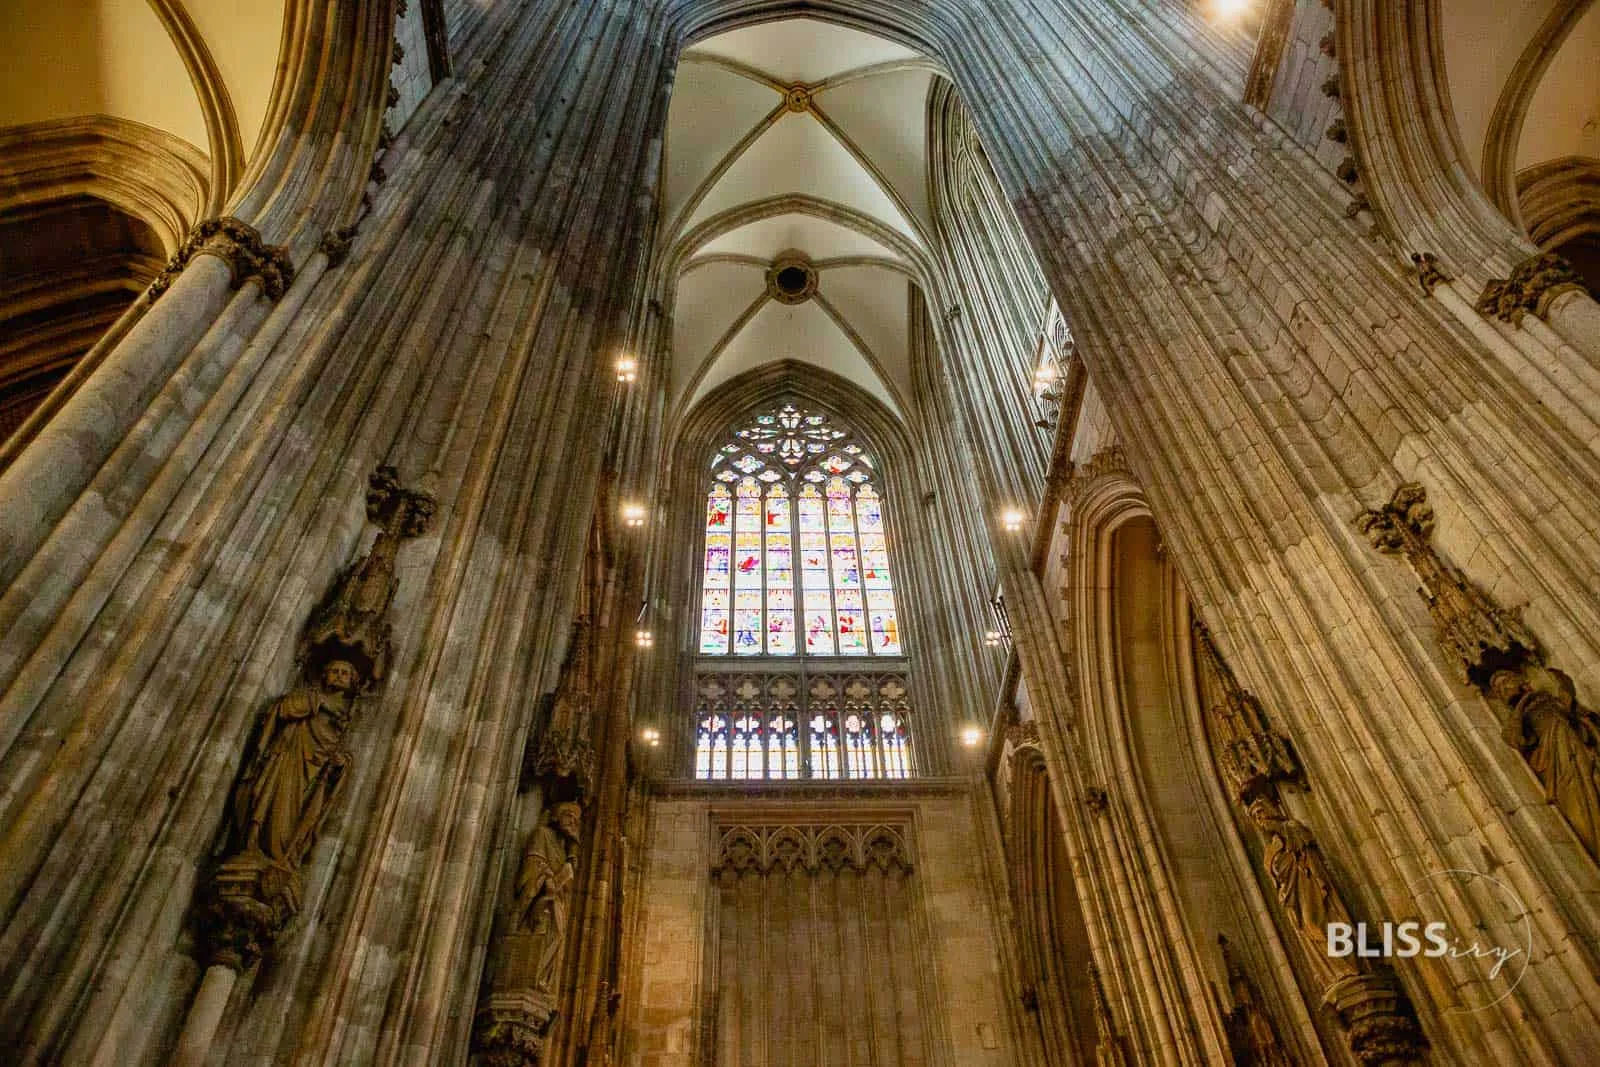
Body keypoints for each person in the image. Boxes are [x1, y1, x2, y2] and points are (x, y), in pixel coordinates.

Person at [228, 659, 360, 864]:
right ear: (324, 676)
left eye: (345, 673)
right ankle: (254, 846)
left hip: (314, 774)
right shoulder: (310, 696)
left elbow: (336, 753)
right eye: (334, 671)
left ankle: (282, 858)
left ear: (352, 681)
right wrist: (317, 703)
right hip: (289, 757)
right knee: (271, 800)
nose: (339, 676)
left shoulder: (346, 714)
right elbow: (283, 709)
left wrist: (340, 763)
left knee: (296, 817)